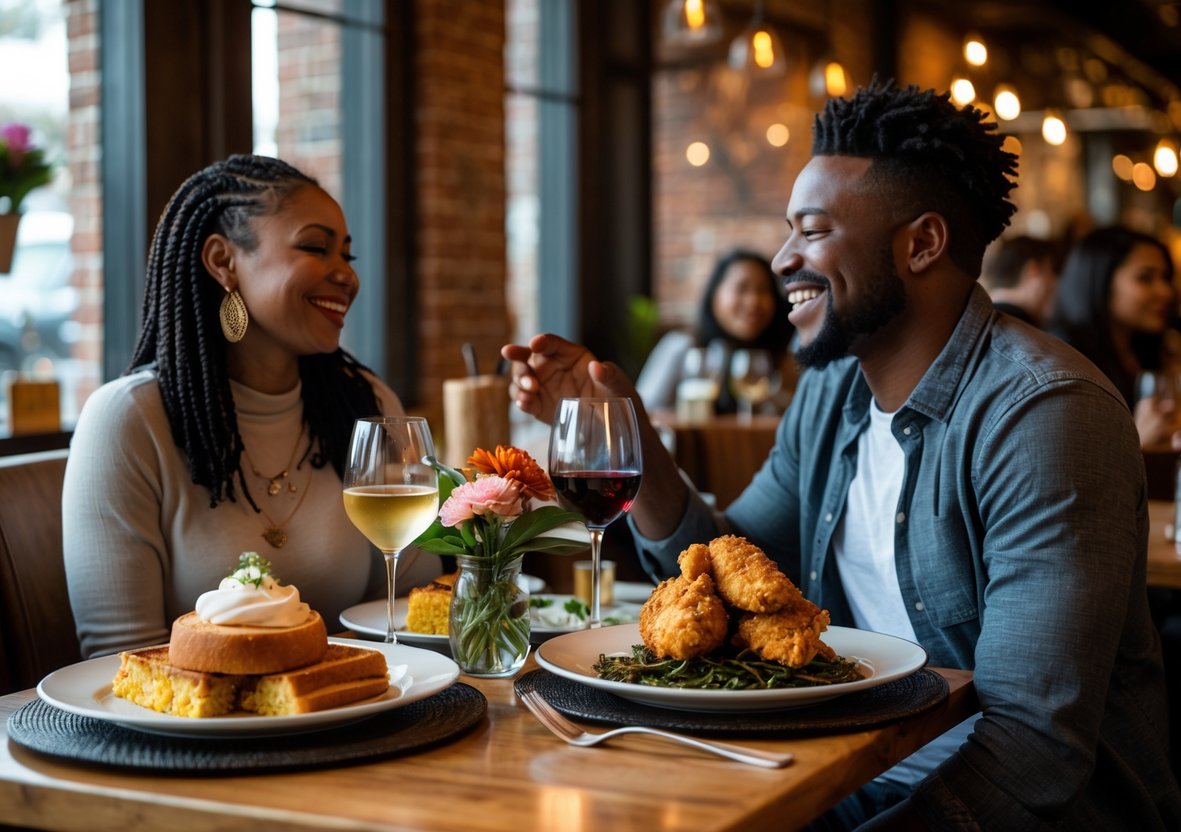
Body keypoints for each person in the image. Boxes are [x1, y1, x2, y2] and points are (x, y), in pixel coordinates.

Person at [503, 81, 1180, 829]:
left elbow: (1031, 753)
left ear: (921, 244)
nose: (781, 257)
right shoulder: (833, 392)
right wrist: (632, 436)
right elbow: (732, 570)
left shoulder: (1042, 415)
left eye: (813, 231)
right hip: (845, 772)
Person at [63, 154, 440, 659]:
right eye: (314, 248)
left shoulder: (367, 405)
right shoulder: (128, 420)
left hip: (354, 713)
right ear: (223, 262)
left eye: (346, 257)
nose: (345, 277)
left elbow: (410, 619)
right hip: (193, 728)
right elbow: (122, 660)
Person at [1047, 225, 1178, 448]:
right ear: (1100, 281)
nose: (1165, 291)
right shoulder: (1065, 363)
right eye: (1145, 278)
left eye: (1165, 277)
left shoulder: (1143, 348)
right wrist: (1136, 444)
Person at [634, 248, 794, 414]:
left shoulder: (783, 359)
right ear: (714, 295)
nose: (753, 300)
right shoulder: (681, 347)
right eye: (741, 288)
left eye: (763, 290)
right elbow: (644, 415)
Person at [979, 234, 1059, 326]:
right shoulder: (1025, 328)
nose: (1054, 282)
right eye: (1051, 272)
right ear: (1033, 270)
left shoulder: (979, 314)